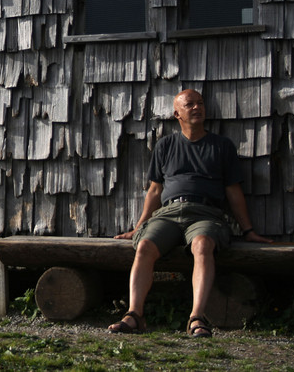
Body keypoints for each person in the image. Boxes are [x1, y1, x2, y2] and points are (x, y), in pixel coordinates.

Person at [107, 89, 272, 338]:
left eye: (200, 104)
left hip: (206, 212)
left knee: (202, 244)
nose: (197, 108)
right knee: (144, 246)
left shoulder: (221, 146)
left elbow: (233, 191)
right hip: (169, 212)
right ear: (177, 114)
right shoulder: (166, 145)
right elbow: (155, 190)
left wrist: (248, 230)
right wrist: (139, 226)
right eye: (190, 104)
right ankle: (134, 315)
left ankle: (197, 317)